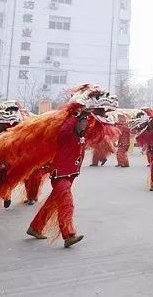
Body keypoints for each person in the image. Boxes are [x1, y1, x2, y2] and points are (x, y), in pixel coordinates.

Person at [27, 91, 118, 247]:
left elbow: (96, 132)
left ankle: (35, 227)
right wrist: (78, 112)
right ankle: (69, 234)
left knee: (53, 202)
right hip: (60, 175)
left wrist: (92, 115)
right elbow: (66, 125)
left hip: (70, 174)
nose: (86, 124)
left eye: (86, 122)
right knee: (67, 204)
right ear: (77, 122)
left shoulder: (81, 135)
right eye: (83, 122)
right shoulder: (67, 132)